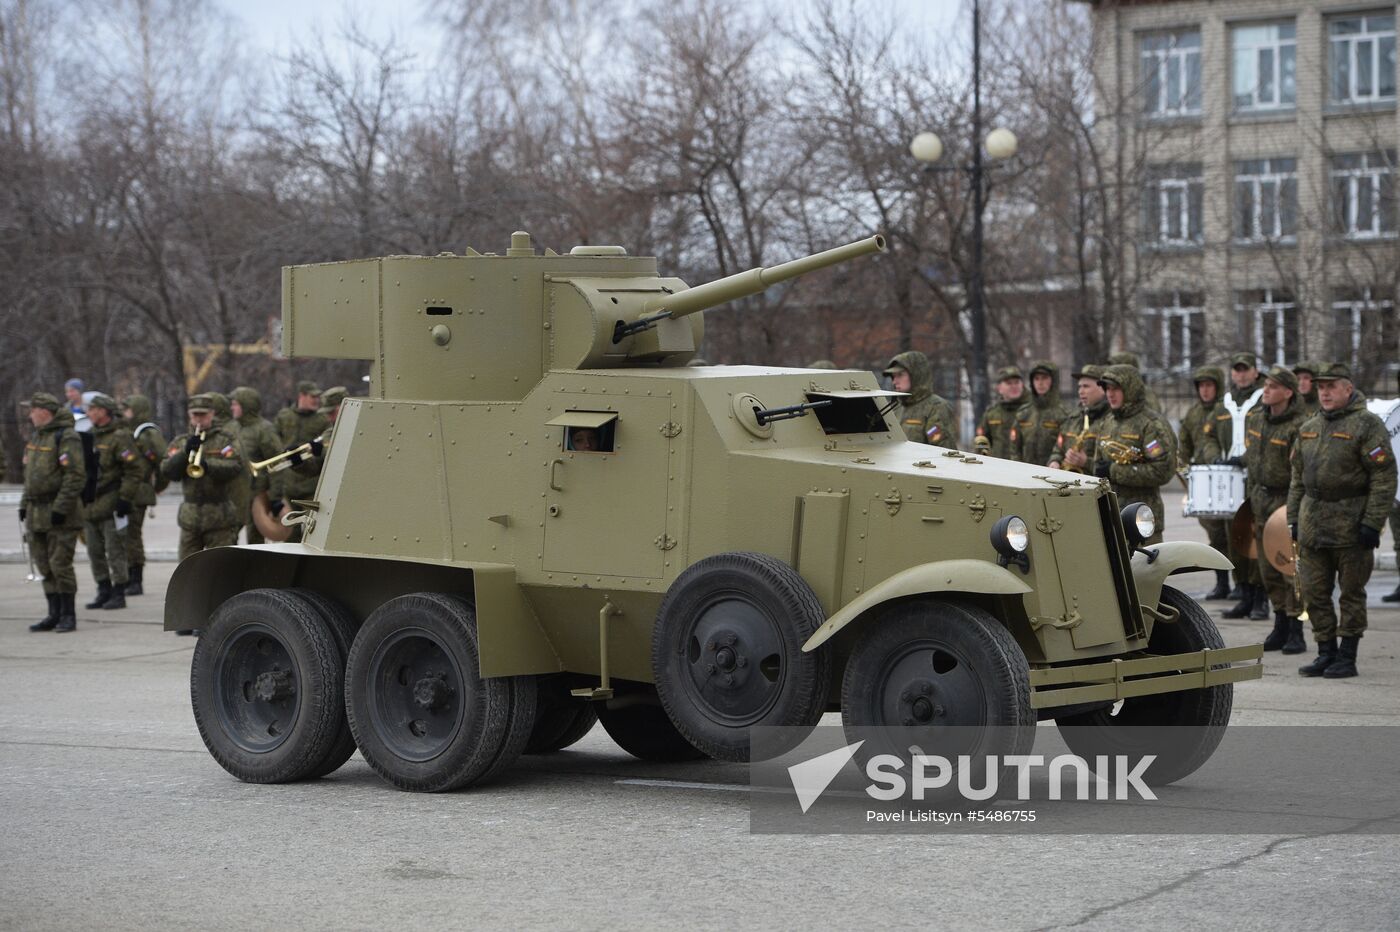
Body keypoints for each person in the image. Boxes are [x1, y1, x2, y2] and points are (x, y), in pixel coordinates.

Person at [1288, 363, 1397, 678]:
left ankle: (1347, 655)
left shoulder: (1366, 425)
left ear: (1348, 389)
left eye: (1331, 386)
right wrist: (1293, 517)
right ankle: (1326, 651)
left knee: (1350, 592)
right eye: (1320, 387)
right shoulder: (1309, 426)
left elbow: (1384, 477)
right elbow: (1297, 479)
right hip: (1313, 525)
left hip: (1351, 526)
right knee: (1313, 591)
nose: (1324, 392)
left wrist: (1372, 523)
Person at [161, 393, 244, 634]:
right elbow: (168, 471)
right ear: (189, 415)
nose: (198, 419)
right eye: (194, 415)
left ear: (211, 415)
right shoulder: (181, 440)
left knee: (220, 571)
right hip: (190, 515)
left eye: (203, 415)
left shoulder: (225, 439)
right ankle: (189, 619)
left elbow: (236, 467)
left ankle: (218, 620)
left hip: (218, 513)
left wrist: (208, 465)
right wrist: (183, 454)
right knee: (188, 569)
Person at [1240, 366, 1306, 653]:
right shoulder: (1255, 419)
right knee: (1267, 568)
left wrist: (1295, 510)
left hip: (1285, 501)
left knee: (1290, 568)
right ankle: (1279, 623)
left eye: (1273, 386)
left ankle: (1296, 628)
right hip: (1260, 500)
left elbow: (1300, 473)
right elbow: (1252, 464)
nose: (1266, 390)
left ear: (1288, 392)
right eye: (1265, 385)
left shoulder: (1300, 426)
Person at [21, 392, 85, 632]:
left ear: (44, 412)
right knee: (44, 565)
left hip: (60, 513)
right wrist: (23, 503)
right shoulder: (37, 437)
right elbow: (31, 476)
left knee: (60, 564)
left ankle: (68, 614)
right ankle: (53, 613)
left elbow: (75, 477)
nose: (29, 415)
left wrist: (60, 508)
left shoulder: (65, 437)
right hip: (36, 512)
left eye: (32, 410)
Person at [1093, 364, 1177, 544]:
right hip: (1110, 520)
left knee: (1146, 572)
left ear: (1129, 389)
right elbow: (1098, 464)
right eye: (1107, 389)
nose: (1110, 394)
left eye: (1116, 388)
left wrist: (1114, 471)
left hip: (1142, 521)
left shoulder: (1151, 424)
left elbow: (1163, 470)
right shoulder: (1107, 423)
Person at [80, 395, 143, 611]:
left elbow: (134, 470)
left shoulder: (120, 437)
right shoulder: (88, 437)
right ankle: (103, 589)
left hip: (112, 501)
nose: (89, 413)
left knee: (115, 549)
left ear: (104, 411)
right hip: (90, 503)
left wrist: (125, 498)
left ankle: (118, 591)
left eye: (93, 409)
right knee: (94, 551)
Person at [1217, 351, 1266, 614]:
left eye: (1245, 369)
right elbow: (1209, 433)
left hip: (1255, 479)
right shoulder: (1224, 402)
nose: (1241, 374)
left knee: (1256, 539)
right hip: (1229, 479)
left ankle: (1260, 598)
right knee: (1234, 537)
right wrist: (1214, 456)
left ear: (1255, 372)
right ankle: (1244, 593)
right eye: (1236, 369)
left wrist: (1244, 459)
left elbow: (1264, 438)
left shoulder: (1264, 399)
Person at [1177, 366, 1230, 599]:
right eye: (1201, 386)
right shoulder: (1193, 414)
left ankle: (1244, 585)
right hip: (1200, 480)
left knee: (1232, 535)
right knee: (1214, 535)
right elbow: (1183, 449)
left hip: (1225, 480)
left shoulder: (1226, 409)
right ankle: (1222, 582)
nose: (1205, 390)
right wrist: (1186, 476)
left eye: (1209, 385)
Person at [121, 394, 168, 594]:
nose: (125, 413)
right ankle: (127, 575)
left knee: (132, 535)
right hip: (126, 490)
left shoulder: (147, 434)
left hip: (139, 491)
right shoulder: (129, 432)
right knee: (123, 536)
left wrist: (158, 486)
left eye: (128, 409)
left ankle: (135, 579)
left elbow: (163, 462)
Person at [230, 386, 284, 544]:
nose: (232, 407)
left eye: (235, 404)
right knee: (228, 536)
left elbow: (277, 464)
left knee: (255, 541)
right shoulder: (232, 428)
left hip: (257, 494)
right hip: (235, 494)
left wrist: (275, 497)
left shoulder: (264, 429)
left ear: (246, 405)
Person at [274, 381, 328, 536]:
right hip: (288, 484)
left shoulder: (322, 419)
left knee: (315, 531)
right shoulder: (284, 416)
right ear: (301, 396)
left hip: (312, 486)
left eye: (318, 397)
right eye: (313, 396)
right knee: (290, 534)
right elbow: (275, 443)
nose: (316, 400)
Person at [883, 351, 959, 450]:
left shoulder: (936, 407)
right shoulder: (895, 407)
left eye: (900, 375)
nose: (894, 381)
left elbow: (945, 452)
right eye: (893, 376)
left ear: (916, 374)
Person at [1012, 360, 1075, 467]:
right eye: (1036, 379)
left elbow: (1066, 446)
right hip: (1024, 474)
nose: (1040, 383)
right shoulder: (1024, 413)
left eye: (1045, 378)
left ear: (1053, 381)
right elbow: (1014, 448)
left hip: (1053, 473)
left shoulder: (1064, 414)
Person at [1049, 363, 1109, 473]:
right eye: (1079, 387)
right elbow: (1058, 448)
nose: (1080, 391)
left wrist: (1086, 462)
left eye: (1086, 386)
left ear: (1102, 389)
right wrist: (1055, 461)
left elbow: (1113, 467)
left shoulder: (1111, 419)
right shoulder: (1073, 417)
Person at [289, 386, 348, 478]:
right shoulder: (328, 434)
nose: (329, 418)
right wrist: (298, 462)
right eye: (327, 414)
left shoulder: (363, 429)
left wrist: (324, 451)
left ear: (346, 407)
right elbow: (315, 469)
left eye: (332, 413)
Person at [974, 366, 1024, 459]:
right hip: (999, 468)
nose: (1014, 386)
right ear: (999, 388)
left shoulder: (1030, 411)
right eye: (1009, 383)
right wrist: (983, 454)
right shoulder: (992, 414)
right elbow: (980, 439)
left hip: (1028, 468)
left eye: (1017, 382)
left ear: (1022, 385)